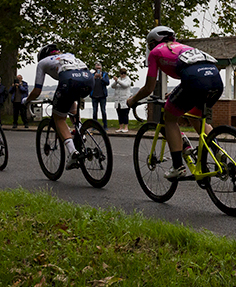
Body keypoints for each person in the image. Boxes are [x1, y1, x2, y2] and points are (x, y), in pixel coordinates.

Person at [127, 26, 223, 180]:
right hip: (215, 79)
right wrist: (175, 92)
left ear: (152, 43)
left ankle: (178, 166)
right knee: (195, 115)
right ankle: (218, 152)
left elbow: (148, 88)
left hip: (193, 81)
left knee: (170, 118)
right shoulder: (184, 48)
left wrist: (133, 100)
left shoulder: (155, 52)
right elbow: (192, 74)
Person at [25, 44, 94, 170]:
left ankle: (73, 153)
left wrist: (26, 100)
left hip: (69, 81)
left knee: (59, 118)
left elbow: (37, 90)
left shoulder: (42, 63)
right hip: (88, 79)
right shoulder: (69, 56)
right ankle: (80, 131)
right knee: (70, 100)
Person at [111, 68, 132, 132]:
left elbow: (125, 85)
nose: (122, 75)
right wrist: (116, 81)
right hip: (118, 100)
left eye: (123, 73)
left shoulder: (128, 80)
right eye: (121, 73)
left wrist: (118, 80)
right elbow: (112, 86)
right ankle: (120, 127)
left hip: (125, 99)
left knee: (125, 114)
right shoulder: (119, 79)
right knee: (119, 114)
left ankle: (126, 127)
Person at [90, 63, 110, 128]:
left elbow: (107, 82)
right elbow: (89, 83)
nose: (98, 69)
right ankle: (94, 126)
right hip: (94, 95)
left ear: (101, 68)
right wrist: (94, 78)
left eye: (99, 68)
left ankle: (105, 126)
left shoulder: (105, 74)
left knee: (103, 111)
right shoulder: (92, 75)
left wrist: (101, 78)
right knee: (94, 111)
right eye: (97, 68)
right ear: (95, 69)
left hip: (102, 96)